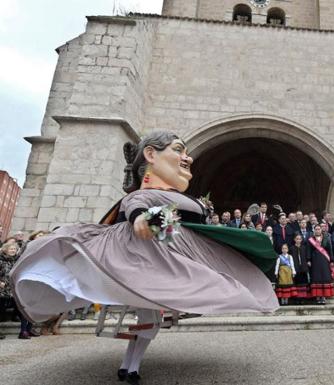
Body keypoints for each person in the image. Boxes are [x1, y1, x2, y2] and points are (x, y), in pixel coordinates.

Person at [10, 132, 278, 383]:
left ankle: (130, 366)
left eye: (186, 152)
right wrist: (143, 220)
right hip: (145, 262)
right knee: (151, 320)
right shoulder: (144, 195)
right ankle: (131, 366)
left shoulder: (181, 200)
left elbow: (182, 224)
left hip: (164, 262)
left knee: (150, 320)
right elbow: (138, 208)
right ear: (151, 155)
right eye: (178, 150)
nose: (189, 158)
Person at [1, 242, 38, 339]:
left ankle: (25, 331)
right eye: (11, 249)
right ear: (5, 250)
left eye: (14, 249)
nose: (13, 250)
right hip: (2, 290)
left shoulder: (18, 260)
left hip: (15, 290)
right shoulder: (1, 260)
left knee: (24, 310)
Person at [307, 224, 334, 304]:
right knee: (317, 278)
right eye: (316, 229)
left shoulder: (326, 239)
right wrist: (308, 260)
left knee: (325, 277)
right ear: (314, 230)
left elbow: (330, 250)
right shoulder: (311, 239)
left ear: (321, 230)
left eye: (319, 229)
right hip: (315, 261)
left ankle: (323, 297)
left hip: (325, 261)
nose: (317, 230)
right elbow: (308, 250)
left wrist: (332, 260)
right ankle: (318, 297)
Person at [290, 234, 309, 301]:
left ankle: (303, 298)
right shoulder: (292, 248)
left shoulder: (304, 248)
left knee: (303, 284)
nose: (298, 240)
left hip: (303, 268)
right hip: (296, 268)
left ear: (301, 240)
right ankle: (297, 298)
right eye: (297, 239)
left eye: (299, 239)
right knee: (296, 283)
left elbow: (307, 257)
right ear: (294, 239)